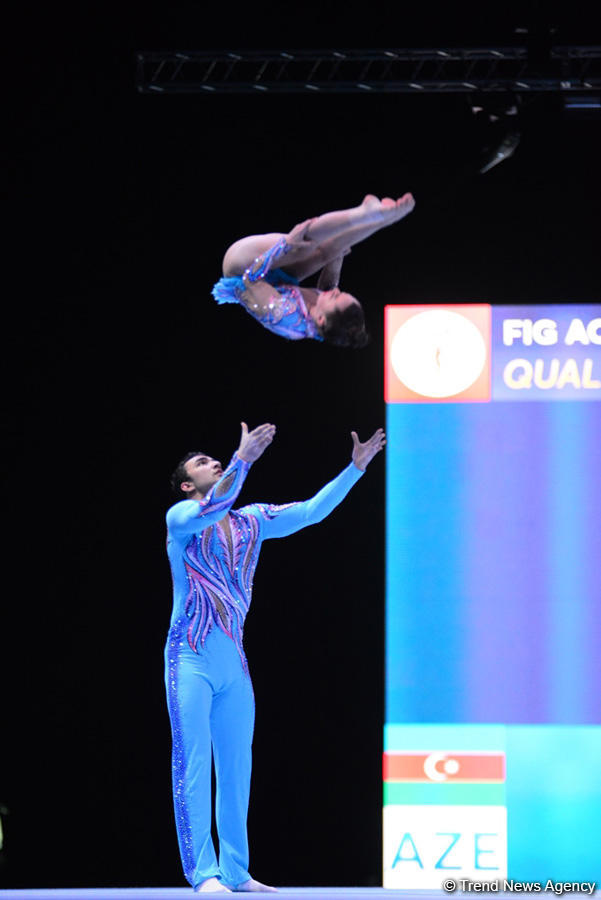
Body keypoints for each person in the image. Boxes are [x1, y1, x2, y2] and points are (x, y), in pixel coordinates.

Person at [165, 421, 386, 893]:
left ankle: (235, 872)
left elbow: (309, 512)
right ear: (188, 484)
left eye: (217, 459)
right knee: (194, 763)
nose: (214, 462)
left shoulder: (252, 521)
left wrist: (354, 469)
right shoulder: (182, 519)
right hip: (191, 660)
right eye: (203, 463)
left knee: (237, 768)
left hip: (234, 666)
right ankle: (202, 874)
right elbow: (215, 505)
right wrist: (243, 459)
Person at [212, 193, 415, 348]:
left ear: (320, 319)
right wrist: (338, 254)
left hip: (240, 268)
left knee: (304, 247)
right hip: (275, 278)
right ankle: (381, 219)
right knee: (327, 252)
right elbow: (328, 286)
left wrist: (286, 244)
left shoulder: (284, 315)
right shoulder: (325, 320)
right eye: (342, 293)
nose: (335, 291)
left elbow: (250, 279)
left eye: (336, 298)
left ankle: (364, 215)